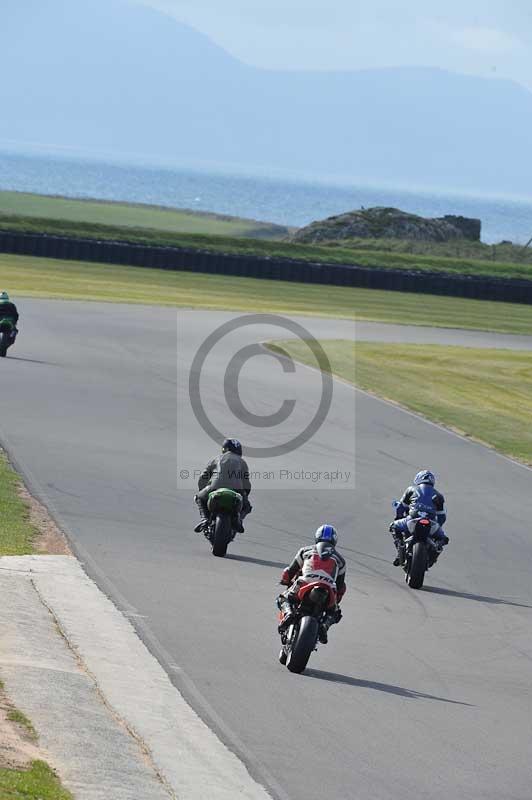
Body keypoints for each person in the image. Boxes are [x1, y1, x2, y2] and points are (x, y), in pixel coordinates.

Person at [277, 524, 346, 644]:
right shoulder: (341, 560)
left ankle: (288, 613)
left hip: (306, 582)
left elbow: (289, 571)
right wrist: (337, 599)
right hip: (329, 588)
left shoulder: (305, 550)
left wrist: (285, 580)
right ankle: (325, 625)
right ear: (334, 540)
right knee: (335, 613)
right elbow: (341, 587)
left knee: (283, 598)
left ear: (317, 537)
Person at [389, 469, 449, 566]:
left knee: (393, 526)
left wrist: (398, 517)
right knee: (443, 539)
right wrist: (439, 527)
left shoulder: (411, 489)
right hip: (431, 522)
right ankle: (435, 551)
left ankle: (400, 548)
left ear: (418, 479)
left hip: (412, 519)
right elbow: (442, 517)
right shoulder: (439, 496)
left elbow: (401, 507)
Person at [194, 438, 252, 533]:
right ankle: (238, 520)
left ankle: (204, 519)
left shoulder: (217, 458)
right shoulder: (242, 462)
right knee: (247, 506)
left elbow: (203, 478)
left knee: (199, 498)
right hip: (237, 489)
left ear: (224, 448)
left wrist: (202, 489)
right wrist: (245, 495)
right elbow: (247, 484)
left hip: (215, 486)